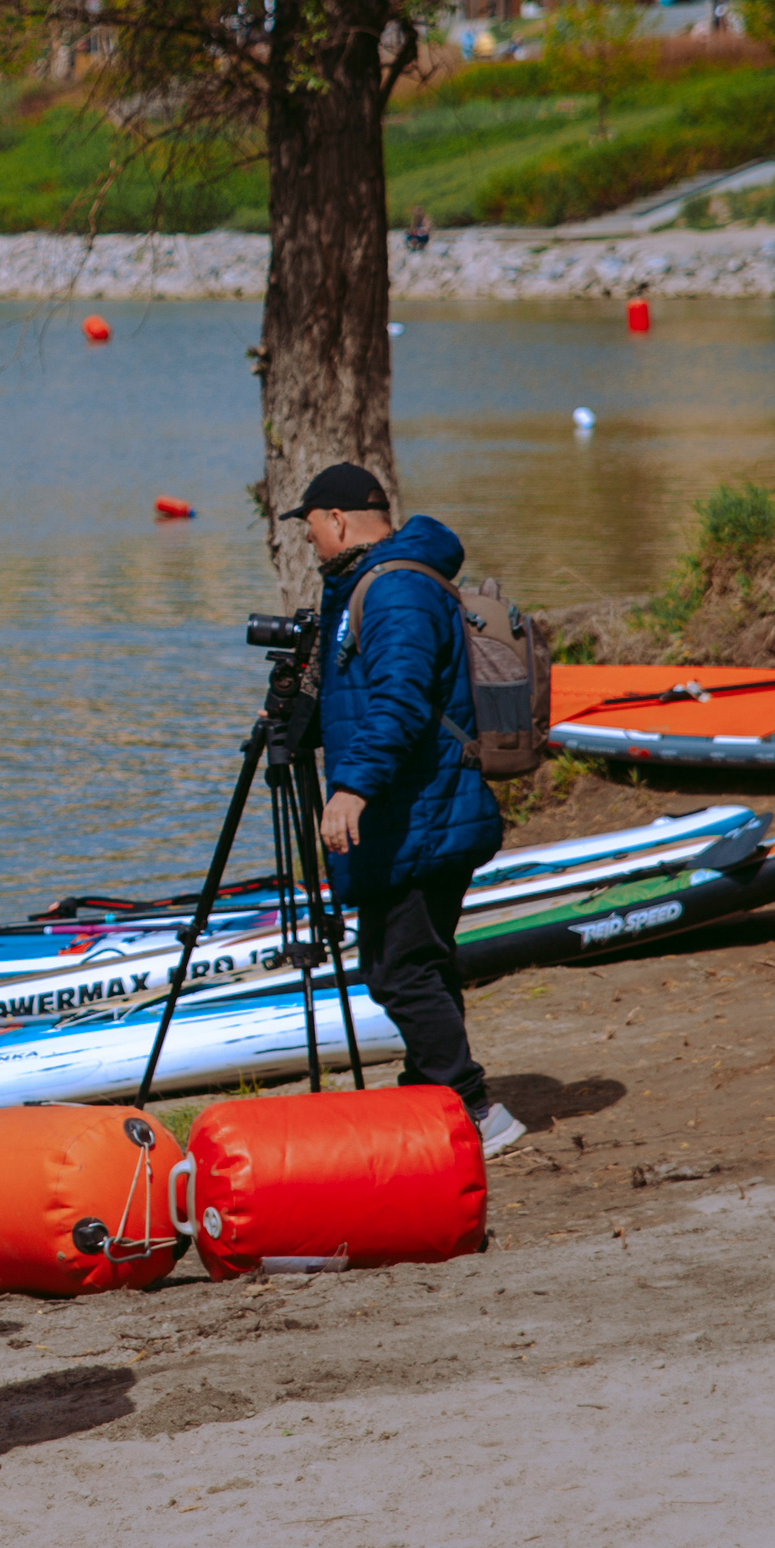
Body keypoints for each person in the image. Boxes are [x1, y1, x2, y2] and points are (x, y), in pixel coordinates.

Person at [292, 462, 523, 1153]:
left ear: (335, 521)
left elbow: (399, 700)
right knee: (419, 959)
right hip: (421, 806)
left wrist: (351, 788)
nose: (310, 547)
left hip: (420, 810)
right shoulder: (380, 582)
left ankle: (473, 1109)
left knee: (398, 967)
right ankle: (433, 1089)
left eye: (310, 532)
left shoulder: (392, 591)